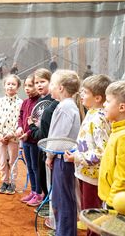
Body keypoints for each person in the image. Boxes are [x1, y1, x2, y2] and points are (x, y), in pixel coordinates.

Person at [64, 74, 112, 236]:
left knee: (94, 217)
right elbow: (87, 143)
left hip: (93, 177)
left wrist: (76, 157)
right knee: (87, 213)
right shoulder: (91, 112)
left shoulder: (99, 119)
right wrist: (76, 153)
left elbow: (101, 152)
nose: (81, 95)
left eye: (85, 92)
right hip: (85, 173)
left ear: (98, 97)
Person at [45, 69, 83, 236]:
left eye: (52, 84)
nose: (50, 87)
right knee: (62, 200)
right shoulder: (66, 106)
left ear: (60, 88)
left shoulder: (66, 107)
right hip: (63, 159)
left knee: (63, 201)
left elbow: (58, 138)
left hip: (63, 160)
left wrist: (50, 155)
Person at [98, 81, 125, 210]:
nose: (104, 104)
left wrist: (112, 204)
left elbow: (124, 177)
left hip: (120, 204)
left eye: (108, 101)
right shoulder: (119, 130)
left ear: (122, 107)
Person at [26, 68, 54, 202]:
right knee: (41, 173)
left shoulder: (52, 101)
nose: (39, 85)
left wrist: (33, 125)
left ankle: (47, 200)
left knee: (45, 174)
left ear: (50, 82)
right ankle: (43, 196)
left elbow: (46, 126)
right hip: (39, 143)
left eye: (42, 81)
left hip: (47, 143)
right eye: (36, 82)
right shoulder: (39, 101)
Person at [0, 74, 23, 195]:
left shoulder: (21, 103)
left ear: (18, 87)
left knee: (12, 161)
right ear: (4, 86)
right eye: (8, 84)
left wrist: (11, 134)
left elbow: (20, 120)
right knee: (2, 161)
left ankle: (12, 183)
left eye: (13, 84)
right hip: (0, 138)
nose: (10, 86)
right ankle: (4, 181)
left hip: (13, 138)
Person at [16, 74, 42, 206]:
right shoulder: (25, 102)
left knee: (36, 168)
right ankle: (33, 191)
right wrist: (20, 127)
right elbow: (20, 116)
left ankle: (39, 193)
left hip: (35, 141)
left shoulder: (40, 103)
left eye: (30, 85)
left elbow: (39, 123)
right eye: (25, 85)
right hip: (25, 141)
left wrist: (28, 133)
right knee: (30, 167)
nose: (27, 88)